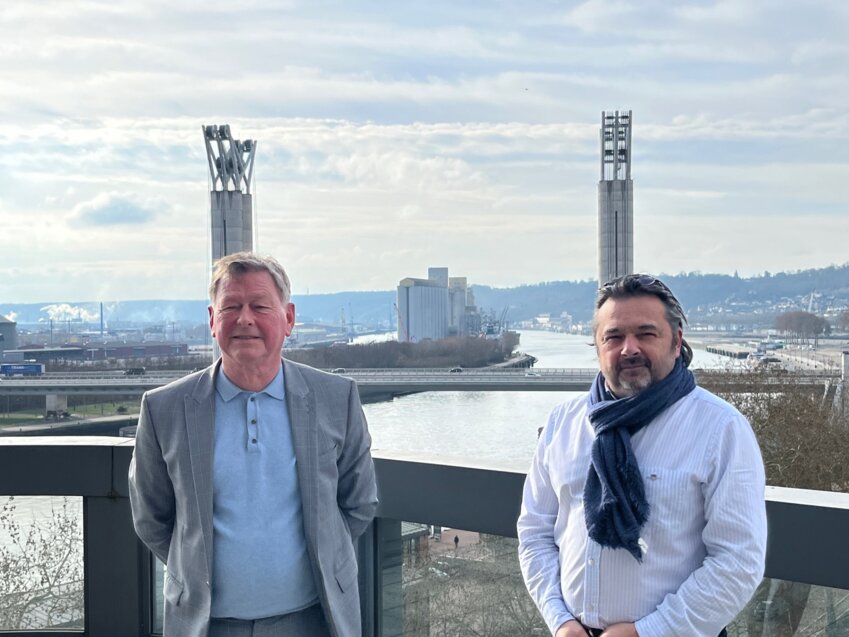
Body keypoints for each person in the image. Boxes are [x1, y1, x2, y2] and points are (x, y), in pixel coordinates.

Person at [129, 252, 378, 637]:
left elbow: (359, 504)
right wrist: (197, 570)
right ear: (212, 321)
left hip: (315, 620)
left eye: (259, 305)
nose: (244, 318)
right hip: (205, 625)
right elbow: (151, 519)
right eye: (230, 306)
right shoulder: (165, 410)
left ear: (289, 318)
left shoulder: (336, 399)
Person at [517, 274, 767, 637]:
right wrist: (560, 619)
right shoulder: (564, 423)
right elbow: (535, 532)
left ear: (676, 341)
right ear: (598, 347)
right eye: (613, 337)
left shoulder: (721, 428)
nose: (629, 348)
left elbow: (738, 562)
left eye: (646, 334)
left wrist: (648, 632)